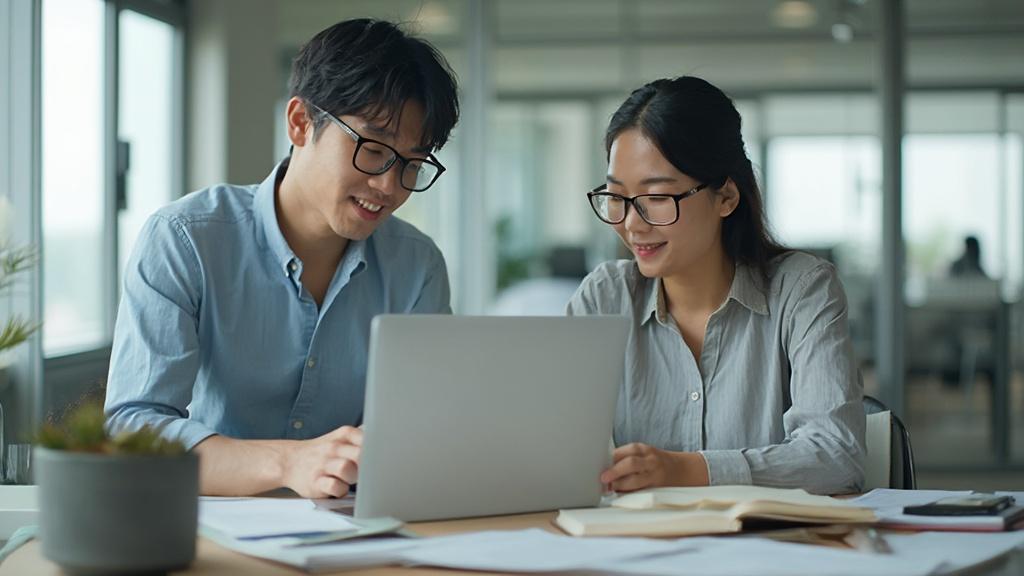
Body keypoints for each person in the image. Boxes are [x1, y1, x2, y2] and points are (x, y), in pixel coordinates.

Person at [104, 19, 459, 498]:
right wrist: (289, 462)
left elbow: (424, 430)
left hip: (352, 533)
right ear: (299, 122)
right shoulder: (185, 240)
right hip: (211, 528)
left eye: (412, 165)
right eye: (374, 150)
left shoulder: (417, 266)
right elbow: (133, 430)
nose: (390, 187)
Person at [568, 76, 864, 495]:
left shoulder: (802, 290)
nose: (632, 223)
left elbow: (837, 456)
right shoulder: (604, 298)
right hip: (634, 551)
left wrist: (686, 470)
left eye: (657, 197)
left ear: (725, 197)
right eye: (616, 197)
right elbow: (553, 446)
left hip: (769, 554)